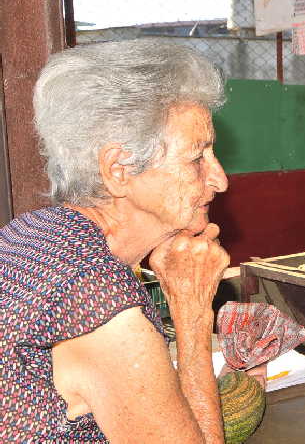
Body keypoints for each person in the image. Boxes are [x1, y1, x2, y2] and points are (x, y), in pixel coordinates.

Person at [0, 39, 232, 442]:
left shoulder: (27, 234)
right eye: (197, 159)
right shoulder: (97, 301)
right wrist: (192, 312)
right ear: (118, 170)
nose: (220, 180)